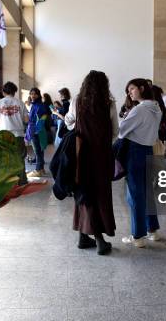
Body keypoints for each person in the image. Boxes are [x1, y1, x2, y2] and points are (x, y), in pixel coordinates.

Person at [63, 71, 118, 255]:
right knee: (100, 195)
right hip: (101, 156)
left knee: (84, 192)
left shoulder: (77, 101)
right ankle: (100, 240)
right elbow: (115, 131)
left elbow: (68, 121)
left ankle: (83, 237)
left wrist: (77, 129)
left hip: (82, 156)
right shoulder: (109, 103)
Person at [118, 78, 162, 248]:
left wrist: (126, 117)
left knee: (135, 194)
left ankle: (137, 236)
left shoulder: (140, 109)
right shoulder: (155, 107)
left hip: (135, 151)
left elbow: (121, 130)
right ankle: (152, 230)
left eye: (132, 89)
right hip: (147, 150)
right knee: (147, 192)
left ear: (142, 88)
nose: (129, 92)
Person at [0, 81, 30, 187]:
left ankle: (7, 182)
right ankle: (22, 181)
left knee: (5, 158)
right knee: (20, 157)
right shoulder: (20, 103)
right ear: (15, 91)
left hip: (3, 136)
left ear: (3, 92)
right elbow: (26, 120)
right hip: (18, 135)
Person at [25, 87, 50, 176]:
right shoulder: (35, 104)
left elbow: (42, 119)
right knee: (40, 150)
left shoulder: (39, 105)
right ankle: (41, 169)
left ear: (38, 95)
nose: (32, 95)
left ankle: (38, 170)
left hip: (36, 131)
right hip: (36, 130)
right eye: (31, 93)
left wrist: (34, 131)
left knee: (37, 151)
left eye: (35, 94)